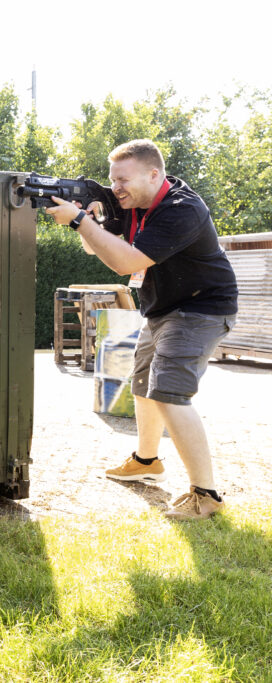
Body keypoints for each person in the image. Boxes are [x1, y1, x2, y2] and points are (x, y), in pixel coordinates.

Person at [47, 139, 238, 520]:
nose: (116, 188)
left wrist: (79, 221)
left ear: (154, 174)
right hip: (163, 307)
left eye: (123, 180)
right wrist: (93, 221)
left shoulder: (181, 210)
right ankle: (146, 460)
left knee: (169, 393)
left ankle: (206, 495)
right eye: (112, 180)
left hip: (201, 308)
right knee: (143, 386)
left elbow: (124, 262)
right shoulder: (131, 202)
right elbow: (98, 249)